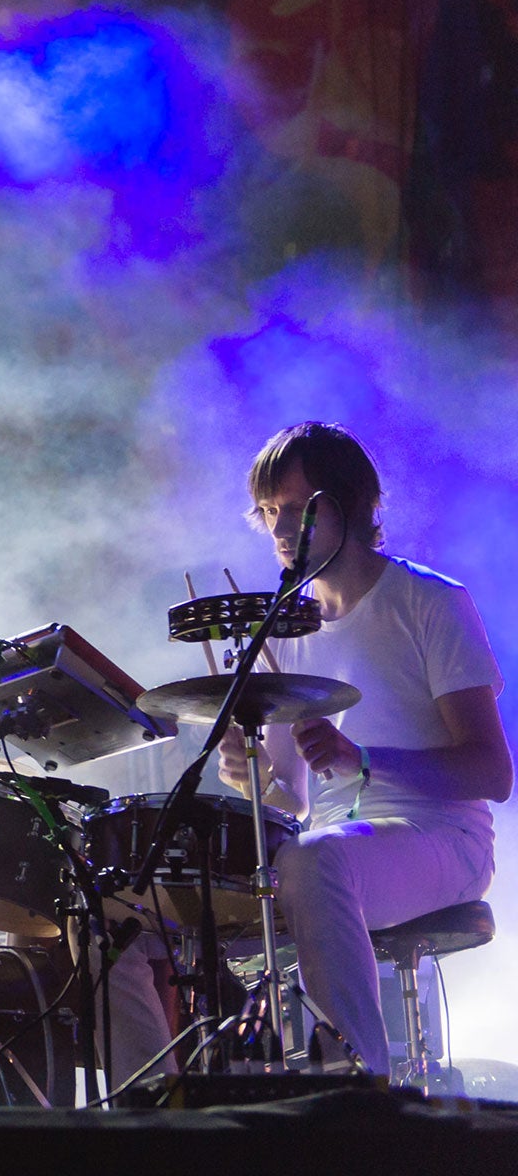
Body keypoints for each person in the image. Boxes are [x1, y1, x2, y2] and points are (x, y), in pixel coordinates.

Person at [216, 421, 511, 1078]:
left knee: (314, 861)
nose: (278, 529)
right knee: (158, 903)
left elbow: (492, 772)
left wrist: (366, 760)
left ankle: (356, 1085)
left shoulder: (430, 601)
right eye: (268, 511)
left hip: (441, 838)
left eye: (294, 507)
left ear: (350, 504)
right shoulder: (285, 626)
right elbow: (293, 795)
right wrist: (252, 777)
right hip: (330, 847)